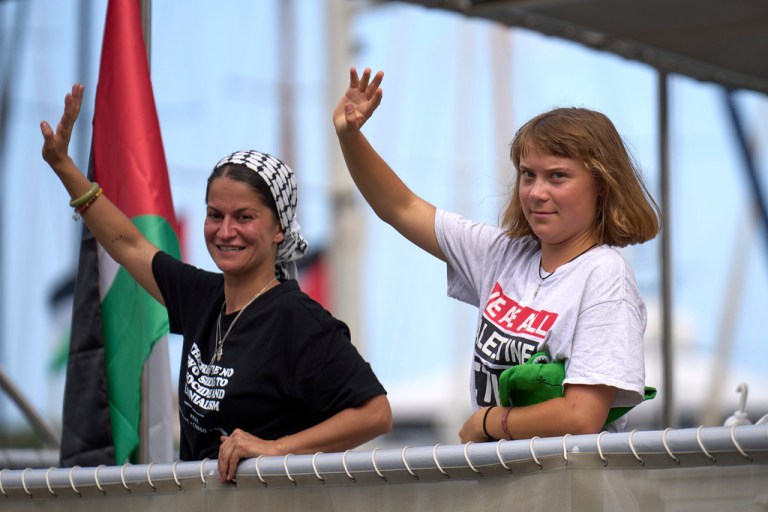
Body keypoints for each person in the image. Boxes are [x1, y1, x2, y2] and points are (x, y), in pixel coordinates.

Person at [41, 83, 392, 481]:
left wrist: (274, 450)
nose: (226, 231)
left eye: (244, 217)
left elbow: (375, 413)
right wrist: (64, 167)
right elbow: (128, 243)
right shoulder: (201, 297)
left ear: (279, 229)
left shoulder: (298, 320)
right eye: (215, 215)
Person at [333, 68, 660, 443]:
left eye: (557, 177)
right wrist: (350, 135)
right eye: (527, 175)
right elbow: (401, 207)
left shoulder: (605, 273)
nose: (536, 192)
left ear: (601, 186)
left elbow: (582, 415)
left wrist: (487, 423)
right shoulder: (503, 253)